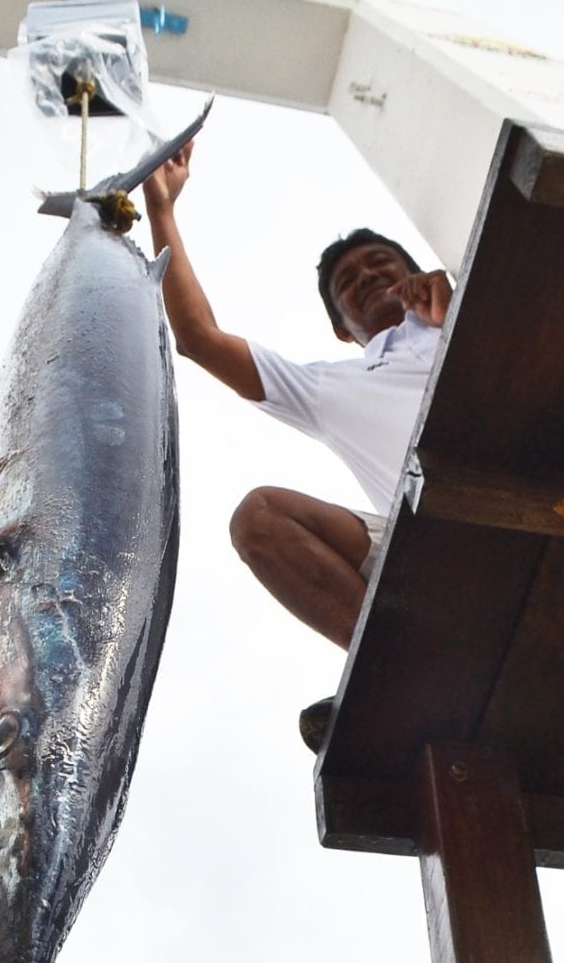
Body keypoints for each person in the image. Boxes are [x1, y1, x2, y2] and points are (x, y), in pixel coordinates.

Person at [143, 141, 453, 752]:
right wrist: (162, 211)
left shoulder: (464, 299)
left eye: (380, 262)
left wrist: (449, 304)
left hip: (521, 481)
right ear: (341, 326)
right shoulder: (326, 385)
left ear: (413, 270)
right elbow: (199, 339)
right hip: (426, 539)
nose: (365, 275)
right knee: (258, 518)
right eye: (347, 281)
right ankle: (390, 667)